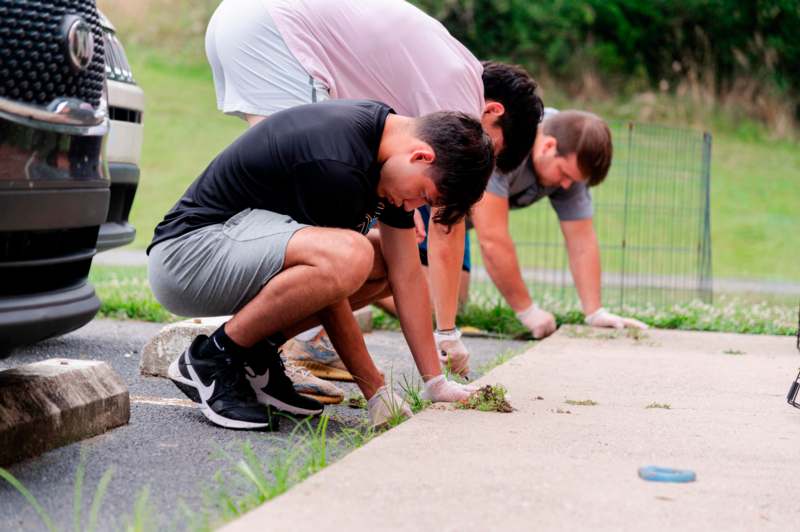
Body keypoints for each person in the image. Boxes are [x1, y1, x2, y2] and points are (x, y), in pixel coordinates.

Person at [204, 0, 543, 383]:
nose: (479, 159)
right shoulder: (462, 100)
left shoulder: (440, 73)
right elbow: (448, 225)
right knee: (323, 236)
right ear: (493, 112)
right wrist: (446, 333)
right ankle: (250, 348)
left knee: (300, 215)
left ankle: (256, 347)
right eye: (491, 148)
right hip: (277, 32)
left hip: (251, 23)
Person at [147, 99, 494, 430]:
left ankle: (255, 357)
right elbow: (331, 290)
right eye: (424, 196)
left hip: (235, 249)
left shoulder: (386, 149)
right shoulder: (337, 163)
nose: (411, 206)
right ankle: (213, 358)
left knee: (381, 260)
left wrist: (435, 382)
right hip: (188, 258)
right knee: (351, 255)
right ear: (421, 156)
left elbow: (407, 275)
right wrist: (375, 389)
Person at [407, 109, 648, 375]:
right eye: (564, 174)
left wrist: (595, 312)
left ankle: (393, 278)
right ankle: (383, 269)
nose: (567, 186)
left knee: (456, 303)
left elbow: (582, 241)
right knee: (432, 307)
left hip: (459, 221)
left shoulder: (570, 161)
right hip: (427, 207)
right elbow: (493, 241)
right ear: (548, 145)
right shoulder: (508, 143)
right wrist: (527, 311)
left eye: (574, 180)